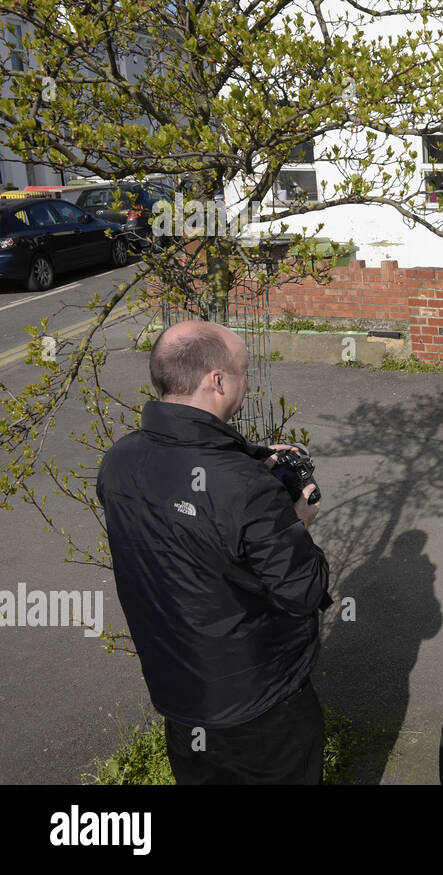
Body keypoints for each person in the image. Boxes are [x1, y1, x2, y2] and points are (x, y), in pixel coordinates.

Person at [97, 320, 329, 784]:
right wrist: (297, 523)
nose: (245, 384)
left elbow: (185, 528)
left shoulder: (119, 461)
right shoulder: (243, 487)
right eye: (242, 373)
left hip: (179, 693)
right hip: (260, 704)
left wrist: (245, 459)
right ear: (217, 380)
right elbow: (303, 591)